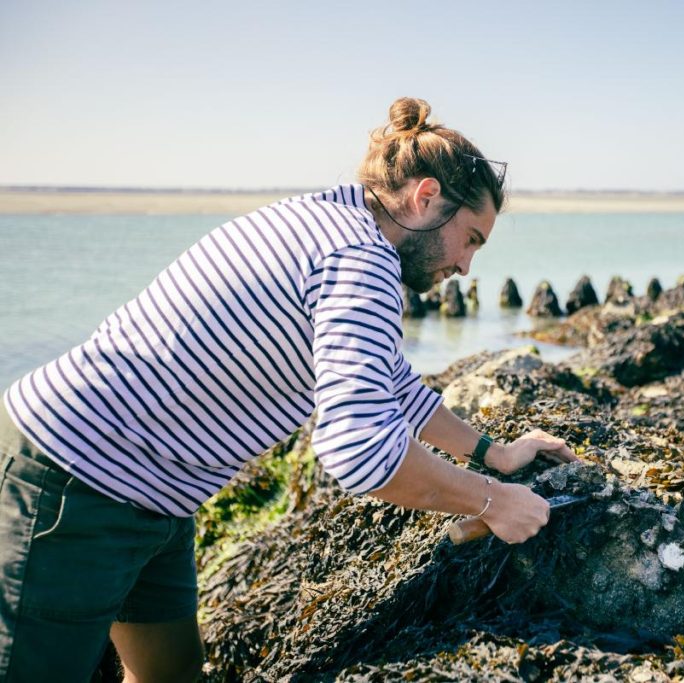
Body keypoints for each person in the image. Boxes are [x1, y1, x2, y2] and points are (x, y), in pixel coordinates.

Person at [0, 97, 576, 682]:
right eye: (471, 239)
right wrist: (493, 500)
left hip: (153, 494)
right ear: (426, 198)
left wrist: (492, 454)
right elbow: (361, 454)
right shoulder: (360, 261)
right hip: (74, 479)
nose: (466, 267)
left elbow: (394, 384)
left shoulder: (331, 219)